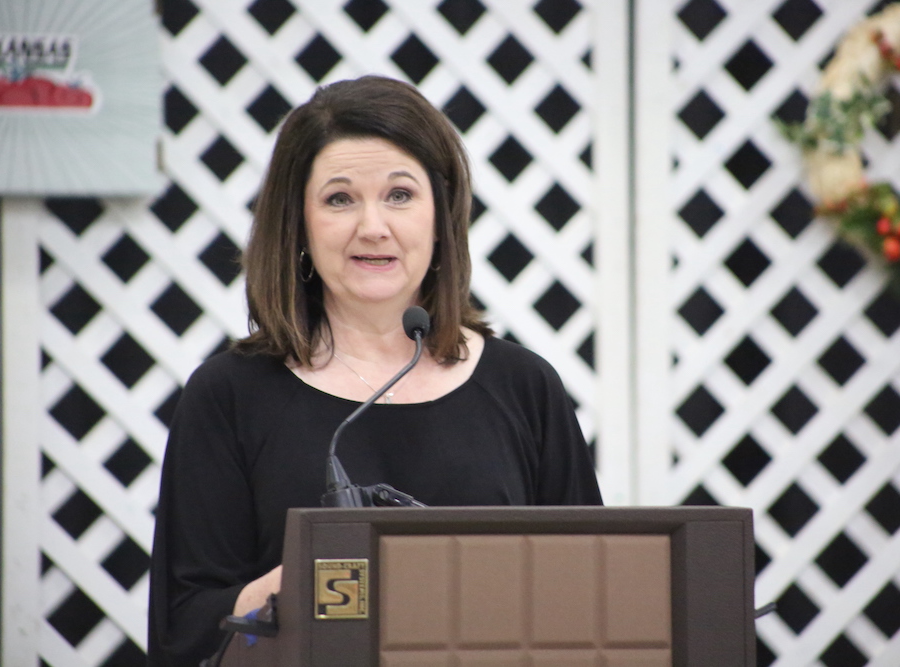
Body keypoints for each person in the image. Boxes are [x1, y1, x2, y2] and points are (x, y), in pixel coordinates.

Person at [146, 75, 603, 666]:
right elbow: (183, 629)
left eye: (400, 195)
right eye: (339, 199)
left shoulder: (525, 387)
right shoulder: (228, 396)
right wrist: (317, 579)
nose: (373, 226)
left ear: (441, 216)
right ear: (299, 225)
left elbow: (594, 591)